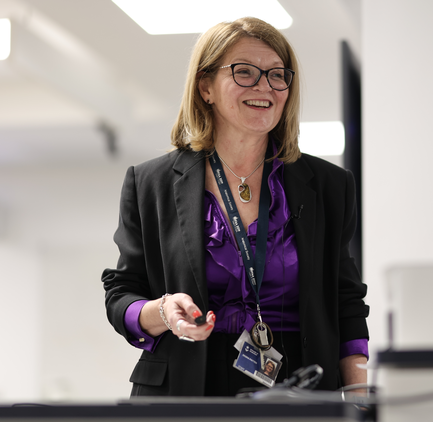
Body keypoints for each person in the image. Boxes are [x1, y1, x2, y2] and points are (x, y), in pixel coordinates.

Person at [102, 16, 369, 397]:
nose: (265, 86)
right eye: (244, 72)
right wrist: (163, 312)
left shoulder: (328, 185)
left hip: (299, 382)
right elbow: (121, 292)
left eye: (278, 75)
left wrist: (359, 393)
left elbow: (346, 300)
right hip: (183, 384)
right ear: (205, 86)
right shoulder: (151, 183)